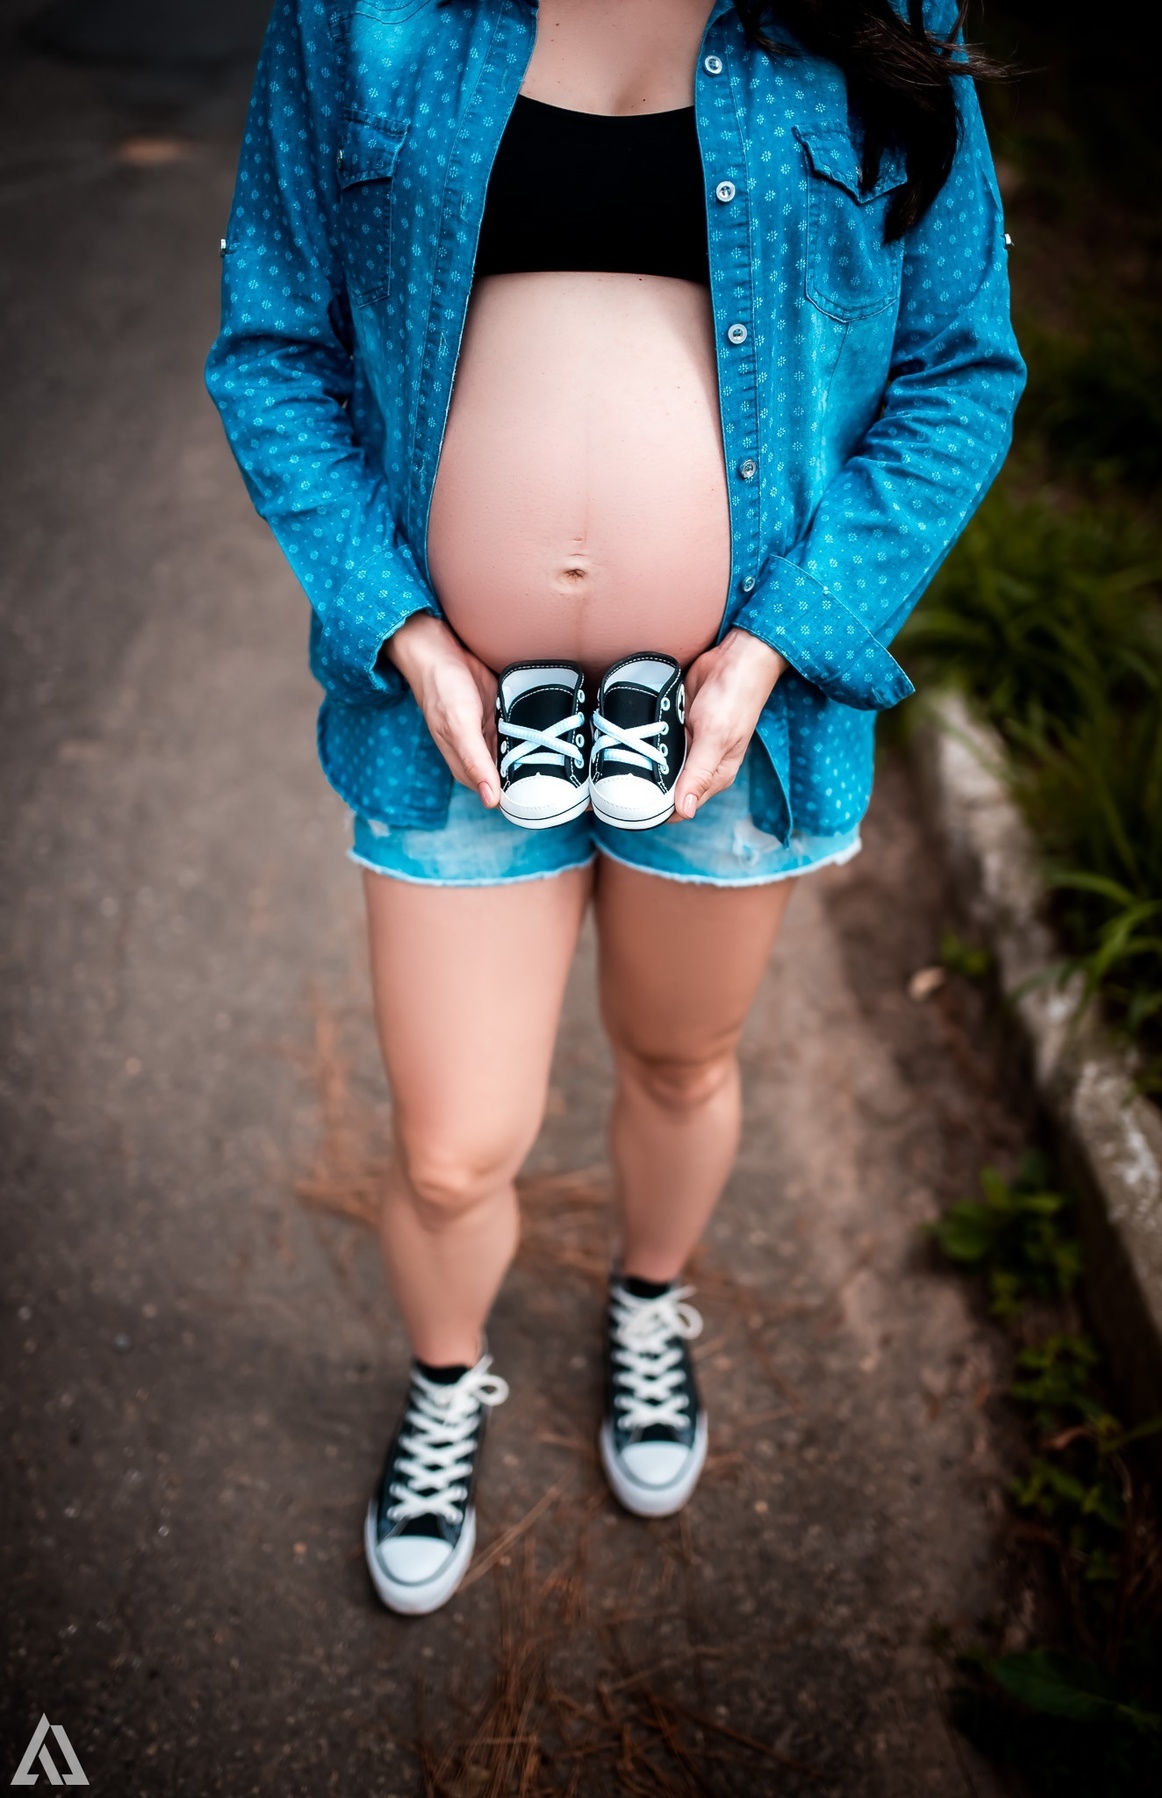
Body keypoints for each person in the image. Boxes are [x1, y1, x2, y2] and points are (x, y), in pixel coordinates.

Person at [206, 0, 1023, 1616]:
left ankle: (648, 1300)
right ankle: (449, 1383)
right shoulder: (359, 23)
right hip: (447, 716)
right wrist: (405, 634)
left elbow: (959, 370)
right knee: (452, 1151)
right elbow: (273, 344)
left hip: (736, 717)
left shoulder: (880, 22)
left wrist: (777, 646)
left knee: (679, 1056)